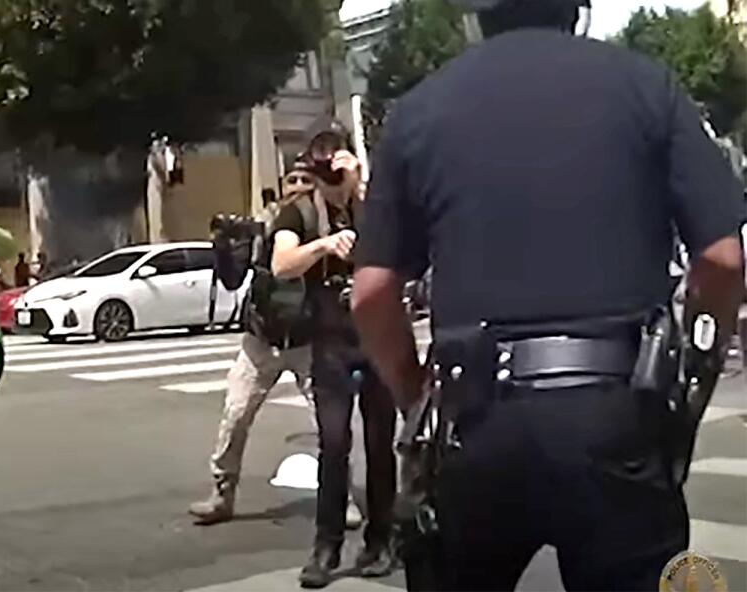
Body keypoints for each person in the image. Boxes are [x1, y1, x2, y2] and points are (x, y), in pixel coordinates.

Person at [350, 0, 746, 589]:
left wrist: (416, 398)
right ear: (577, 9)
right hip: (616, 410)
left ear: (475, 15)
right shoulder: (646, 86)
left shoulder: (419, 110)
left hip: (475, 419)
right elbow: (722, 258)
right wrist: (693, 375)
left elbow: (372, 294)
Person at [272, 130, 396, 588]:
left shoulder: (368, 203)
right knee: (335, 444)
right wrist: (323, 246)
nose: (332, 184)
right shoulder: (300, 210)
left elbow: (397, 243)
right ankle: (327, 547)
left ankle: (382, 539)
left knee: (382, 444)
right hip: (330, 343)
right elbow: (282, 263)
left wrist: (362, 184)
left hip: (376, 335)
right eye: (325, 176)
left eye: (337, 174)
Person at [188, 168, 337, 526]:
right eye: (292, 181)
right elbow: (231, 280)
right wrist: (224, 248)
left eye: (307, 182)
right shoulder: (263, 230)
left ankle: (338, 496)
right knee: (236, 415)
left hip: (308, 340)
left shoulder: (323, 228)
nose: (298, 189)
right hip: (262, 339)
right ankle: (222, 493)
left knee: (331, 423)